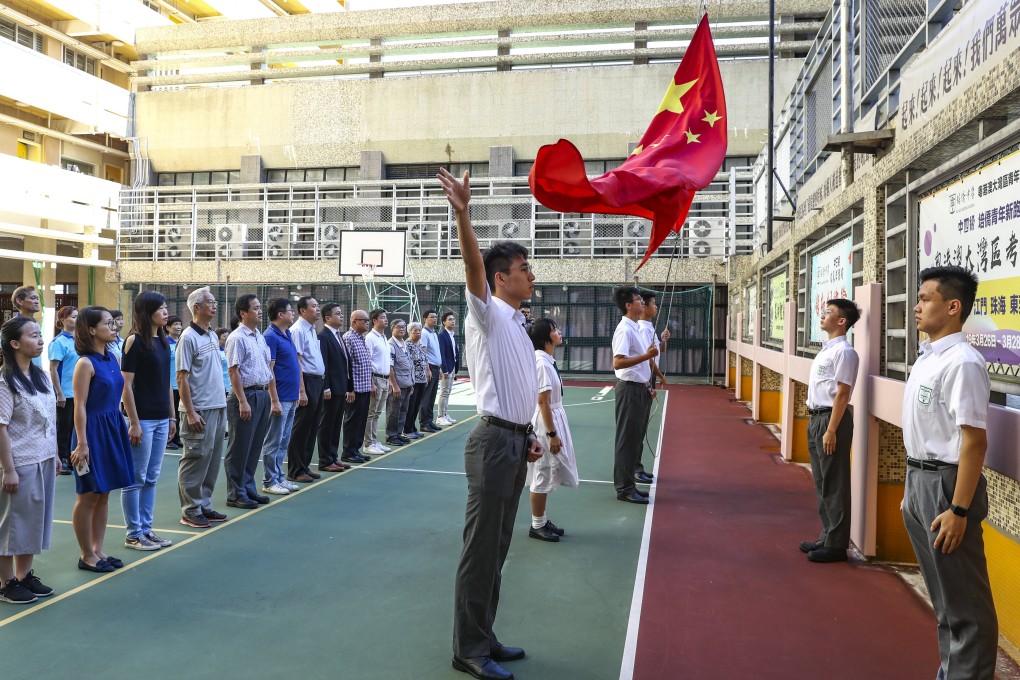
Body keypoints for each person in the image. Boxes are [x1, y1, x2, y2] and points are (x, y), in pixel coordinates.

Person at [440, 167, 540, 680]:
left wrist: (530, 435)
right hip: (493, 442)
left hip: (513, 442)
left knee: (498, 548)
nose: (531, 273)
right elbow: (473, 268)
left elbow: (520, 387)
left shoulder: (518, 326)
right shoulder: (489, 312)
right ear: (502, 278)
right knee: (480, 552)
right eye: (524, 267)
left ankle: (485, 635)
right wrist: (464, 215)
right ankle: (468, 649)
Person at [902, 265, 997, 679]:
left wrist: (958, 510)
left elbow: (974, 441)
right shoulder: (929, 358)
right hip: (920, 482)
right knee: (943, 601)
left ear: (953, 306)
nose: (917, 306)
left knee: (966, 609)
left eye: (925, 299)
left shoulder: (962, 363)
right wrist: (912, 494)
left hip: (947, 487)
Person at [70, 306, 134, 573]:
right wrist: (82, 443)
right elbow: (80, 406)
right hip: (92, 432)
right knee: (88, 495)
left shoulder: (112, 358)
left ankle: (99, 550)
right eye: (108, 323)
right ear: (91, 330)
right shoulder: (85, 363)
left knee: (104, 493)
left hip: (112, 427)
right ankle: (86, 555)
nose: (114, 327)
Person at [0, 317, 58, 603]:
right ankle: (6, 582)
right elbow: (0, 427)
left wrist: (55, 453)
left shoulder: (42, 375)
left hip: (44, 457)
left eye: (39, 335)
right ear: (14, 344)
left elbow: (50, 419)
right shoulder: (4, 381)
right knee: (11, 524)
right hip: (19, 462)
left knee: (34, 522)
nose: (40, 340)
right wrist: (8, 469)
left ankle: (24, 576)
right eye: (33, 336)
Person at [800, 298, 860, 564]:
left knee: (835, 481)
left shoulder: (844, 352)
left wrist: (832, 429)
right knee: (822, 481)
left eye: (828, 312)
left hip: (831, 420)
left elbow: (843, 393)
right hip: (817, 419)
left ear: (842, 320)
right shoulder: (825, 351)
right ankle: (827, 534)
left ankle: (836, 544)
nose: (822, 315)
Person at [119, 292, 176, 551]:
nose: (166, 312)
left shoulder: (163, 341)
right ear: (146, 311)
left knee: (151, 477)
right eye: (161, 308)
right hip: (142, 418)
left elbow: (166, 384)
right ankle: (133, 534)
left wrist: (172, 416)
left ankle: (146, 529)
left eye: (166, 308)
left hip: (162, 418)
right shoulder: (134, 341)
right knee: (136, 478)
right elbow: (126, 386)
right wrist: (134, 422)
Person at [176, 288, 229, 528]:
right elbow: (182, 377)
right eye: (209, 302)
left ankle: (204, 505)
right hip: (199, 409)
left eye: (215, 302)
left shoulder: (210, 335)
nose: (214, 306)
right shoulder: (188, 337)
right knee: (195, 458)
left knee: (211, 459)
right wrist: (190, 411)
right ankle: (190, 509)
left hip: (217, 406)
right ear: (196, 307)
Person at [224, 294, 281, 510]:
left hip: (262, 394)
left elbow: (268, 369)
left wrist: (271, 397)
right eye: (255, 308)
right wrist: (242, 401)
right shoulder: (237, 337)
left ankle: (248, 487)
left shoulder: (259, 337)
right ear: (243, 313)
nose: (259, 311)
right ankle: (235, 492)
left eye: (260, 307)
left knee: (255, 446)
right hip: (246, 395)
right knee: (239, 447)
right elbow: (234, 370)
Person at [526, 318, 578, 543]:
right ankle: (537, 524)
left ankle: (542, 520)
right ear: (546, 337)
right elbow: (542, 402)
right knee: (542, 470)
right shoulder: (541, 362)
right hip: (546, 422)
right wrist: (551, 433)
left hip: (554, 416)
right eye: (555, 329)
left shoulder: (547, 360)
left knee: (548, 469)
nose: (559, 332)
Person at [611, 286, 657, 505]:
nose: (641, 303)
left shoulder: (635, 328)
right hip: (629, 388)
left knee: (634, 438)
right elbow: (618, 362)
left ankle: (630, 484)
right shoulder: (625, 330)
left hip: (639, 388)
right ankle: (624, 488)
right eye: (638, 300)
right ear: (629, 305)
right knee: (627, 441)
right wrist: (647, 356)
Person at [261, 298, 303, 493]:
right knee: (274, 440)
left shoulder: (286, 334)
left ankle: (278, 476)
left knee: (284, 439)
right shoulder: (271, 336)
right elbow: (270, 370)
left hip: (290, 396)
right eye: (290, 310)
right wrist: (274, 400)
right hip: (281, 398)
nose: (293, 313)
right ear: (280, 314)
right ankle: (269, 481)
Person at [287, 296, 326, 482]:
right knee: (301, 427)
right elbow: (298, 362)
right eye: (314, 306)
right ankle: (295, 469)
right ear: (302, 311)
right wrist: (301, 390)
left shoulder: (312, 330)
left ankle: (305, 465)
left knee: (312, 426)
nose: (318, 309)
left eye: (318, 306)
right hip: (307, 381)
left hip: (317, 381)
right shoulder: (297, 331)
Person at [636, 291, 670, 485]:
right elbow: (647, 359)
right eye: (653, 303)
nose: (655, 307)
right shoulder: (641, 328)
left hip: (650, 379)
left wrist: (664, 340)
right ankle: (635, 468)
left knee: (642, 427)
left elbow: (657, 351)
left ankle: (638, 467)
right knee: (637, 428)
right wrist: (660, 376)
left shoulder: (650, 327)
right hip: (645, 378)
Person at [317, 303, 353, 472]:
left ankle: (332, 456)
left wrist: (348, 386)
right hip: (331, 389)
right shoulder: (323, 336)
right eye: (338, 314)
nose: (341, 316)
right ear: (328, 318)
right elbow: (324, 363)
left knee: (336, 424)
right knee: (327, 424)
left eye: (341, 313)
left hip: (341, 387)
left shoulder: (338, 335)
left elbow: (345, 362)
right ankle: (324, 460)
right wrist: (325, 387)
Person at [48, 306, 78, 475]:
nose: (76, 319)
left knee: (77, 427)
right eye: (73, 316)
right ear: (63, 320)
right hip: (65, 393)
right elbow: (53, 369)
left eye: (78, 316)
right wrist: (59, 392)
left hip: (80, 393)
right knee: (64, 427)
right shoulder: (58, 342)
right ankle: (63, 458)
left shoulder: (81, 340)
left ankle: (74, 457)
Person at [341, 311, 374, 465]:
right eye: (364, 320)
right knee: (352, 421)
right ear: (354, 322)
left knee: (361, 420)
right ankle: (348, 451)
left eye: (368, 321)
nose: (368, 323)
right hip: (356, 389)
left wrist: (371, 383)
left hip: (365, 387)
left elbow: (366, 364)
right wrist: (350, 388)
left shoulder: (361, 338)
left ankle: (355, 449)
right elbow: (347, 365)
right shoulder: (349, 338)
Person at [363, 308, 396, 456]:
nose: (385, 320)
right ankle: (368, 443)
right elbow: (367, 361)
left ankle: (374, 441)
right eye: (382, 317)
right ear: (374, 321)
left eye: (385, 317)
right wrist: (371, 382)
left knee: (377, 413)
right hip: (375, 378)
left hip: (384, 378)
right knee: (371, 413)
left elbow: (387, 361)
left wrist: (389, 380)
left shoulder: (383, 337)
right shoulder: (370, 338)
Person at [385, 318, 414, 447]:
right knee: (393, 411)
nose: (401, 329)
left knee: (403, 411)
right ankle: (391, 436)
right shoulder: (391, 345)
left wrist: (411, 383)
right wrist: (394, 385)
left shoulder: (404, 344)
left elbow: (409, 364)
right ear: (392, 329)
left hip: (407, 384)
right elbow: (390, 367)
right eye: (398, 327)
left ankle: (398, 433)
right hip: (398, 386)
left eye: (403, 327)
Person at [403, 321, 431, 439]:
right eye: (415, 331)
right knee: (411, 405)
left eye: (419, 330)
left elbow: (425, 359)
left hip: (422, 379)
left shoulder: (420, 344)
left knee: (417, 404)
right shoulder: (407, 345)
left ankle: (413, 428)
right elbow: (408, 363)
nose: (418, 332)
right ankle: (407, 429)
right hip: (413, 380)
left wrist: (428, 370)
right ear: (410, 332)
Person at [418, 309, 444, 433]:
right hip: (429, 368)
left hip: (435, 368)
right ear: (425, 319)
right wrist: (428, 369)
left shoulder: (433, 333)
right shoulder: (424, 333)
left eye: (436, 317)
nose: (435, 319)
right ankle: (424, 423)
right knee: (426, 397)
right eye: (432, 317)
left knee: (432, 397)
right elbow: (423, 352)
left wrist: (438, 369)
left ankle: (429, 421)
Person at [437, 311, 461, 427]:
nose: (453, 321)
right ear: (443, 322)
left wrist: (454, 369)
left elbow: (454, 352)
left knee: (448, 392)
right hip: (447, 368)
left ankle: (445, 414)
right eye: (450, 319)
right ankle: (440, 416)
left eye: (453, 319)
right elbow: (442, 353)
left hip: (452, 367)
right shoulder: (442, 336)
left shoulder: (452, 335)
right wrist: (444, 369)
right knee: (444, 392)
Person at [11, 286, 43, 368]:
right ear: (20, 301)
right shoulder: (12, 326)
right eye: (33, 298)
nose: (36, 301)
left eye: (37, 299)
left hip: (35, 372)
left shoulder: (36, 324)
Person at [166, 315, 184, 450]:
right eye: (175, 324)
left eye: (179, 324)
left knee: (178, 413)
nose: (178, 327)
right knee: (170, 413)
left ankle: (176, 437)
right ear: (167, 328)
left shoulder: (182, 341)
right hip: (169, 383)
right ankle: (168, 439)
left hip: (181, 383)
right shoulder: (165, 342)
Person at [216, 328, 231, 398]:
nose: (226, 338)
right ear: (218, 338)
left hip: (231, 384)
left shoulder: (230, 350)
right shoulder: (216, 352)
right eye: (224, 336)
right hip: (222, 385)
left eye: (228, 336)